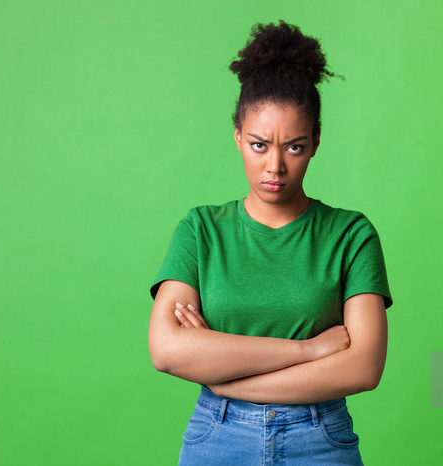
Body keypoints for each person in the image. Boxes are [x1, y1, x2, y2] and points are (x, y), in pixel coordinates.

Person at [148, 20, 392, 465]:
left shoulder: (350, 234)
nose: (275, 166)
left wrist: (224, 378)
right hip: (217, 439)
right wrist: (308, 350)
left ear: (316, 141)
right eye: (259, 145)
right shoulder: (201, 230)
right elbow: (167, 350)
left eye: (294, 147)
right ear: (238, 137)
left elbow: (364, 366)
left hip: (320, 438)